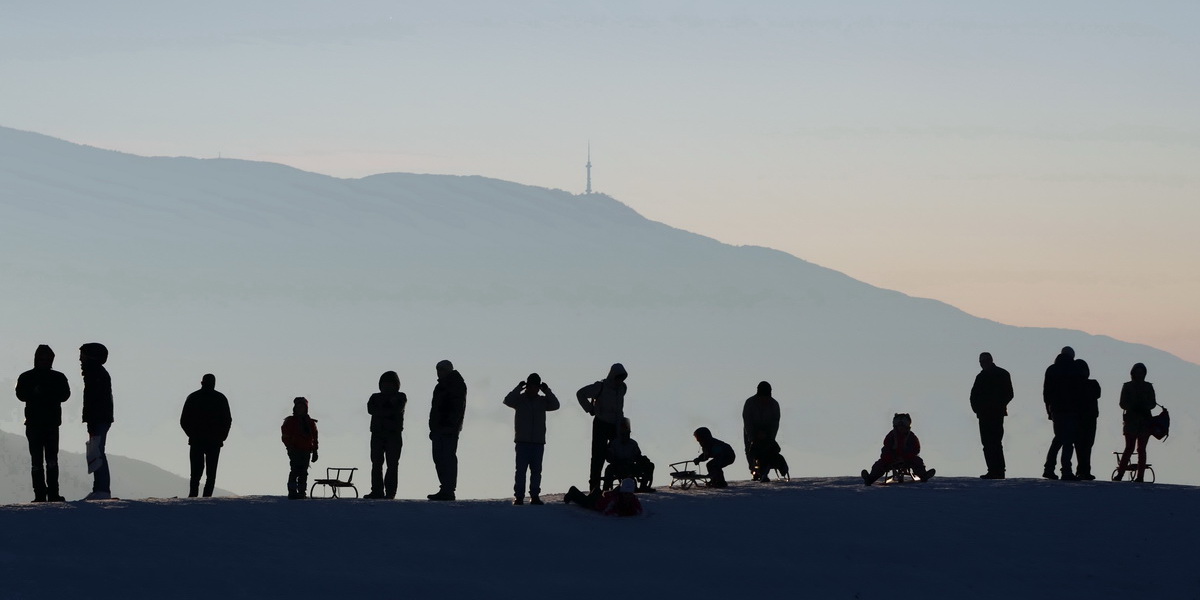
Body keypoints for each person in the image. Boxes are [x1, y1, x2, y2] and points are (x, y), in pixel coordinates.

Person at [15, 345, 71, 502]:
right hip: (39, 424)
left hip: (45, 423)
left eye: (47, 359)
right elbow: (21, 394)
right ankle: (43, 494)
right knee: (40, 461)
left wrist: (40, 392)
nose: (44, 361)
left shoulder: (28, 377)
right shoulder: (55, 377)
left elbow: (65, 395)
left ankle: (49, 494)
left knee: (47, 460)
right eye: (42, 358)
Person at [503, 373, 560, 505]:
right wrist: (518, 388)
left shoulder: (542, 401)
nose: (534, 389)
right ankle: (519, 496)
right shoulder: (519, 400)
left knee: (536, 471)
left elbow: (556, 405)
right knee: (521, 471)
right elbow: (507, 400)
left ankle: (534, 496)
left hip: (538, 442)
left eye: (536, 386)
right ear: (527, 386)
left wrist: (547, 391)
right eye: (531, 386)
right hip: (522, 441)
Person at [179, 373, 233, 497]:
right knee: (211, 472)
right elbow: (227, 420)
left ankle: (193, 495)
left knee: (196, 472)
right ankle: (206, 496)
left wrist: (192, 434)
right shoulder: (220, 398)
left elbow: (184, 420)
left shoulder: (193, 397)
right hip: (213, 441)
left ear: (202, 382)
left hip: (198, 440)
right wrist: (222, 436)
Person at [576, 363, 627, 492]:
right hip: (601, 423)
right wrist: (590, 409)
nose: (620, 380)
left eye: (622, 378)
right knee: (598, 456)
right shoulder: (600, 387)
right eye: (618, 377)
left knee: (618, 454)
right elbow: (580, 393)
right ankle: (594, 487)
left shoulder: (623, 388)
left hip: (616, 425)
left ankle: (618, 484)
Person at [969, 352, 1013, 479]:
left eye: (984, 361)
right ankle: (993, 470)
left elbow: (1009, 394)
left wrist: (996, 406)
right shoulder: (982, 376)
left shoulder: (1001, 374)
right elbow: (974, 396)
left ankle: (998, 470)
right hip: (985, 415)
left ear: (990, 360)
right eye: (981, 362)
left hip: (994, 414)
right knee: (989, 443)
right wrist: (977, 409)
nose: (983, 364)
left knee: (994, 442)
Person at [428, 359, 466, 501]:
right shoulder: (441, 386)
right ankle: (444, 487)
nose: (439, 372)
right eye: (438, 369)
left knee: (447, 458)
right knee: (438, 458)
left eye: (442, 369)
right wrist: (432, 426)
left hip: (449, 429)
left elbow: (457, 407)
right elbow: (435, 409)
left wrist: (451, 424)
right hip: (438, 428)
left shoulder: (456, 384)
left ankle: (448, 489)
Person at [860, 413, 935, 486]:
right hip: (892, 459)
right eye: (899, 425)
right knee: (879, 464)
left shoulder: (911, 436)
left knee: (918, 461)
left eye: (903, 425)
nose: (901, 427)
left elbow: (916, 448)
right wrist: (890, 457)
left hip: (908, 459)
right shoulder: (891, 435)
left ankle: (923, 475)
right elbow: (886, 448)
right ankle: (870, 478)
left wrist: (906, 456)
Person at [365, 371, 407, 499]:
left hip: (393, 434)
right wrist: (387, 407)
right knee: (376, 463)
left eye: (390, 384)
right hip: (377, 434)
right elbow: (370, 409)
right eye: (384, 384)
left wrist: (382, 409)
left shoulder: (400, 396)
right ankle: (376, 491)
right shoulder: (375, 397)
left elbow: (395, 409)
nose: (387, 387)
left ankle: (390, 492)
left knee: (392, 464)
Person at [80, 342, 114, 500]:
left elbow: (95, 399)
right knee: (97, 450)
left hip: (98, 418)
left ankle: (102, 489)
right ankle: (100, 488)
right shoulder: (96, 372)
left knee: (98, 451)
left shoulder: (95, 373)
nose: (80, 359)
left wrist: (92, 419)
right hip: (100, 417)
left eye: (83, 355)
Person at [1114, 363, 1156, 482]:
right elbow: (1122, 403)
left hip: (1143, 421)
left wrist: (1140, 407)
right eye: (1137, 372)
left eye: (1141, 372)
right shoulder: (1129, 386)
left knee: (1140, 449)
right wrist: (1137, 407)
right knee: (1130, 448)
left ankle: (1139, 476)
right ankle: (1121, 474)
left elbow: (1152, 403)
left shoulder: (1146, 387)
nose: (1139, 375)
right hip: (1133, 421)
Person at [1042, 346, 1078, 480]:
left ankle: (1049, 468)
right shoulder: (1074, 368)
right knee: (1068, 440)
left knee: (1058, 438)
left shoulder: (1052, 369)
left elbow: (1046, 392)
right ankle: (1066, 470)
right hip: (1070, 408)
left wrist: (1048, 409)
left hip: (1056, 408)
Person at [742, 381, 781, 482]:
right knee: (750, 450)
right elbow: (747, 420)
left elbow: (775, 422)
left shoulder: (774, 404)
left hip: (767, 433)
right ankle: (754, 471)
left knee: (767, 451)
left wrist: (770, 437)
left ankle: (764, 472)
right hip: (752, 431)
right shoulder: (750, 402)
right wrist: (752, 437)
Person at [603, 418, 655, 492]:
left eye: (627, 433)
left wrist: (643, 459)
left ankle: (643, 486)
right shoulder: (614, 443)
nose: (626, 435)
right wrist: (618, 461)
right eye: (623, 433)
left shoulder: (633, 443)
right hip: (617, 466)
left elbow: (637, 456)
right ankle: (606, 490)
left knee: (650, 465)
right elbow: (609, 458)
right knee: (610, 469)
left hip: (631, 465)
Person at [281, 397, 319, 499]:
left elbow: (315, 437)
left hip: (306, 450)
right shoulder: (290, 421)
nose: (300, 409)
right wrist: (289, 446)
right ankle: (292, 491)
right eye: (298, 407)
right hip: (294, 450)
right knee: (295, 470)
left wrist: (315, 451)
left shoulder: (310, 423)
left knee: (304, 472)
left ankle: (302, 491)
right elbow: (285, 435)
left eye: (302, 407)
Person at [1071, 359, 1102, 481]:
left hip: (1082, 417)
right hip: (1089, 417)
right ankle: (1084, 470)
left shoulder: (1074, 385)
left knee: (1082, 444)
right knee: (1085, 444)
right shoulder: (1093, 384)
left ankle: (1083, 470)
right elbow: (1097, 394)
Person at [563, 477, 644, 517]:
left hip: (600, 496)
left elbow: (639, 509)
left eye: (629, 494)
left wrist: (631, 511)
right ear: (622, 493)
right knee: (585, 502)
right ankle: (573, 491)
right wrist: (619, 513)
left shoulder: (633, 498)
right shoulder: (614, 499)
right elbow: (606, 511)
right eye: (626, 494)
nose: (628, 496)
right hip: (596, 501)